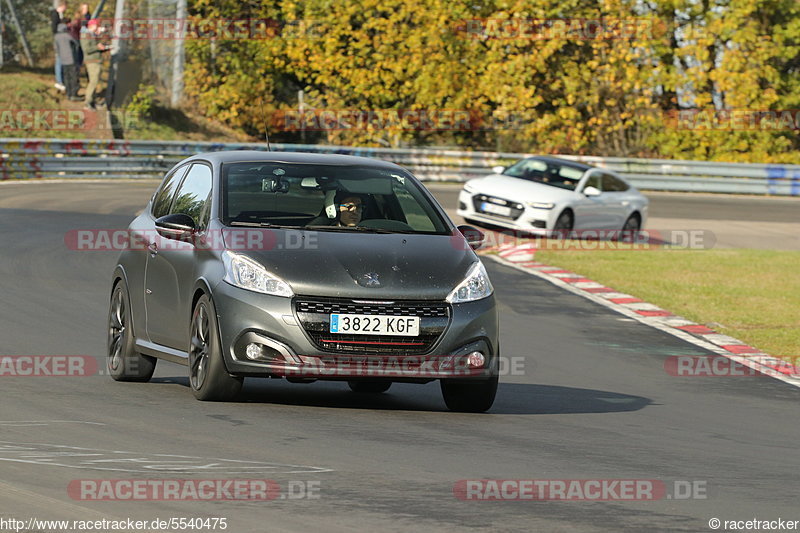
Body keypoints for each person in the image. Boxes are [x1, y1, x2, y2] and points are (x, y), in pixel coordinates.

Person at [81, 19, 108, 110]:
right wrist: (97, 47)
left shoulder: (92, 35)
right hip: (91, 61)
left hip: (96, 60)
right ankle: (87, 102)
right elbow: (87, 49)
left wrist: (103, 48)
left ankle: (92, 100)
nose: (98, 27)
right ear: (92, 26)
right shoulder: (85, 35)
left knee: (95, 81)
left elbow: (94, 47)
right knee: (93, 82)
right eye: (97, 25)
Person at [54, 22, 81, 101]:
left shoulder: (56, 37)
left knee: (66, 77)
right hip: (71, 59)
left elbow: (56, 48)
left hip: (63, 60)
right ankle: (74, 94)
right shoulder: (68, 35)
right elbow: (76, 43)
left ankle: (68, 94)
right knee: (73, 77)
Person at [51, 0, 68, 92]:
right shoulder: (55, 14)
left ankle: (62, 80)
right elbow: (54, 28)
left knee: (62, 59)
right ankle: (59, 81)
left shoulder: (61, 15)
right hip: (59, 40)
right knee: (59, 59)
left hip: (61, 39)